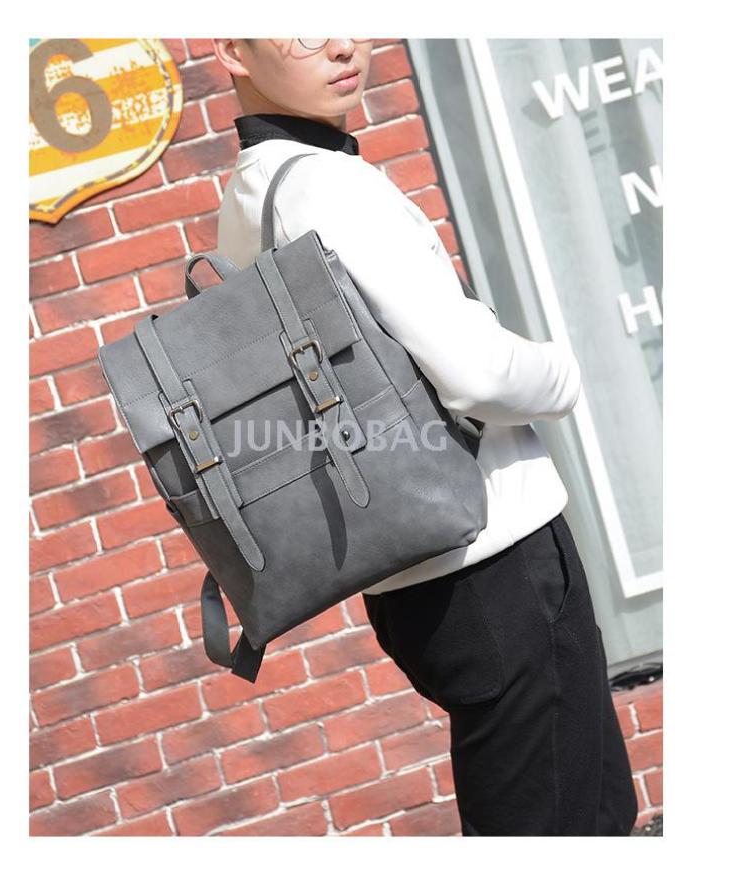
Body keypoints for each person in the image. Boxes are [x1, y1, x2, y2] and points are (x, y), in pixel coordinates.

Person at [212, 37, 638, 837]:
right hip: (492, 562)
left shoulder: (251, 193)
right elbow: (476, 374)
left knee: (587, 815)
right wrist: (568, 371)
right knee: (558, 825)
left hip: (418, 574)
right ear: (231, 48)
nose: (341, 42)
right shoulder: (328, 185)